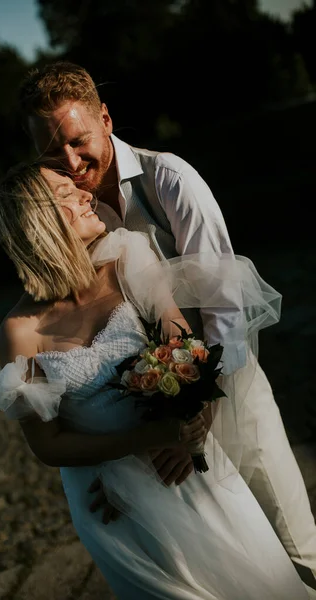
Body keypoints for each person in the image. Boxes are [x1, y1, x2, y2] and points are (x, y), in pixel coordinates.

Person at [16, 60, 316, 589]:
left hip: (229, 396)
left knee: (293, 553)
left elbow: (226, 315)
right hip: (155, 433)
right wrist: (116, 473)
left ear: (106, 119)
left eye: (79, 139)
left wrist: (195, 419)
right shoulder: (66, 214)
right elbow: (85, 337)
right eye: (50, 151)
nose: (70, 161)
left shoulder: (169, 180)